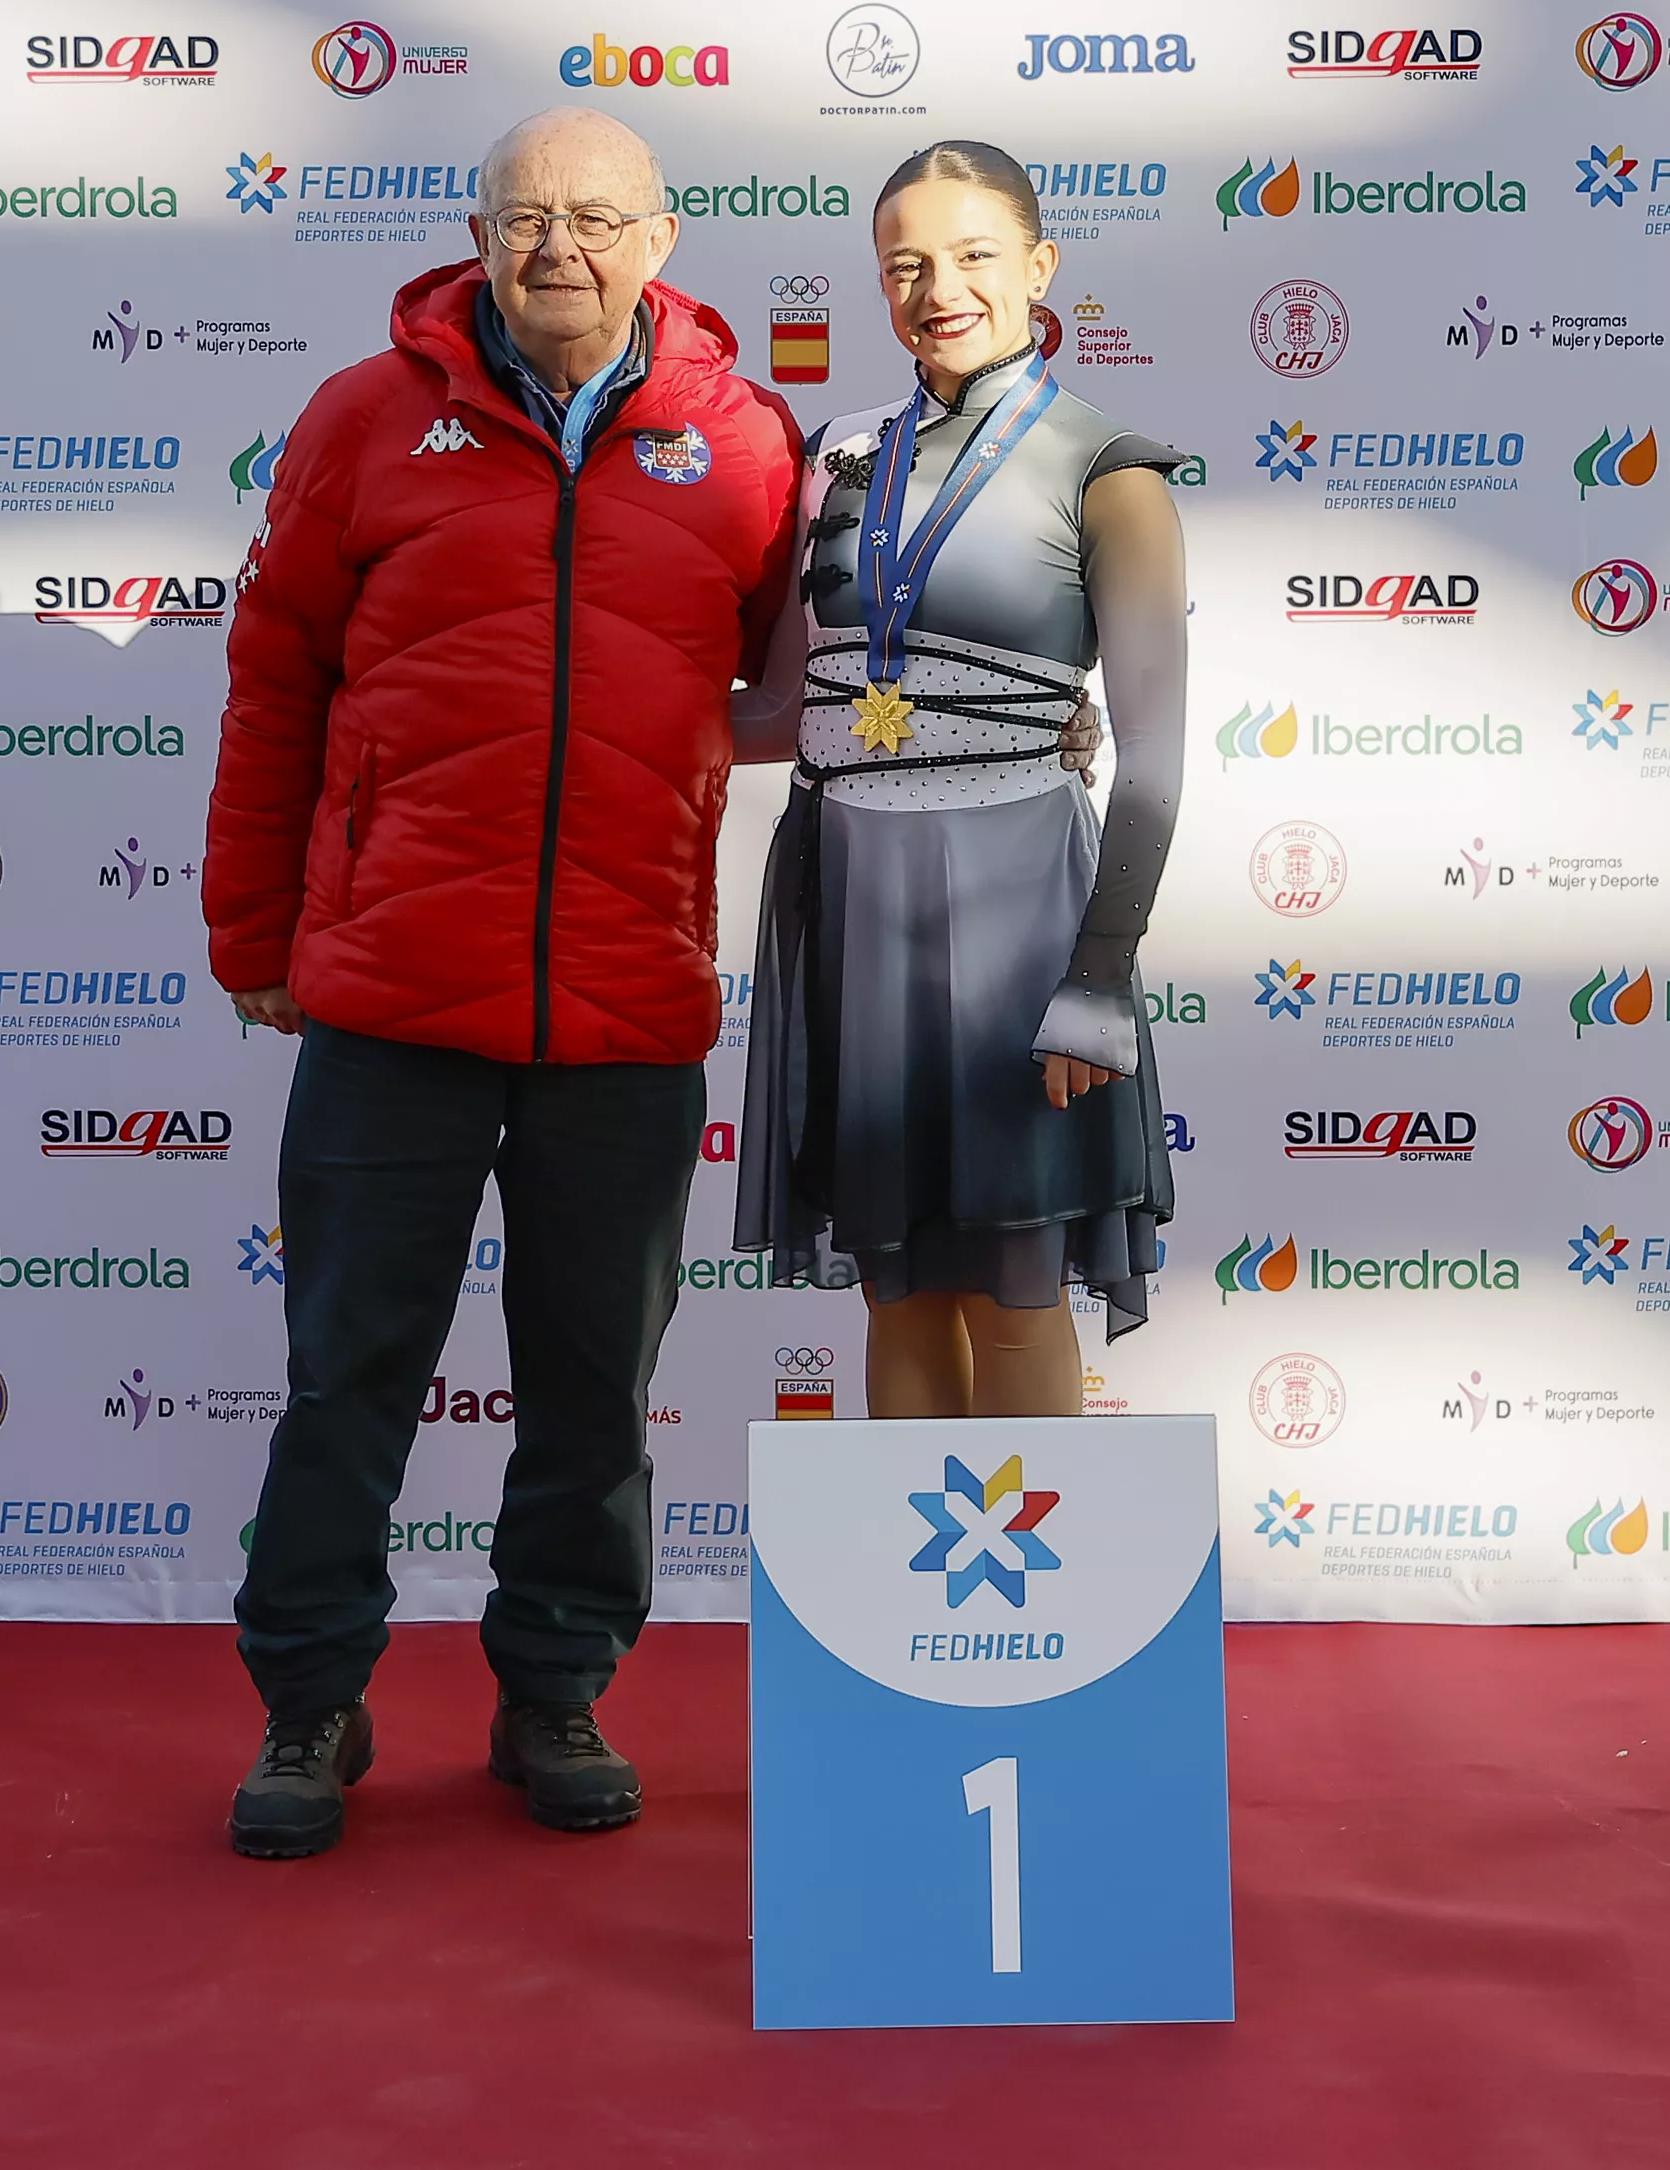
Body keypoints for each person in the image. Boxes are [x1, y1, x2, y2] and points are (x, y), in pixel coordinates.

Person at [201, 107, 800, 1859]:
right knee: (347, 1375)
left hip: (624, 1005)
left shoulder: (745, 441)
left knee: (595, 1386)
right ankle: (309, 1699)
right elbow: (274, 687)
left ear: (663, 239)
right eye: (527, 216)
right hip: (390, 997)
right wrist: (255, 936)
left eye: (598, 218)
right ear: (476, 233)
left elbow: (811, 678)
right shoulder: (365, 420)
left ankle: (557, 1685)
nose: (561, 247)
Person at [734, 141, 1190, 1417]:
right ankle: (903, 1614)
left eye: (976, 255)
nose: (941, 287)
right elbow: (781, 708)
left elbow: (1153, 759)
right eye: (907, 264)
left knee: (1014, 1284)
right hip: (852, 903)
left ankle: (1035, 1614)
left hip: (1021, 924)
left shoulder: (1114, 470)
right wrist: (575, 726)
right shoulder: (834, 453)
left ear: (1039, 265)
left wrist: (1098, 979)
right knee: (899, 1285)